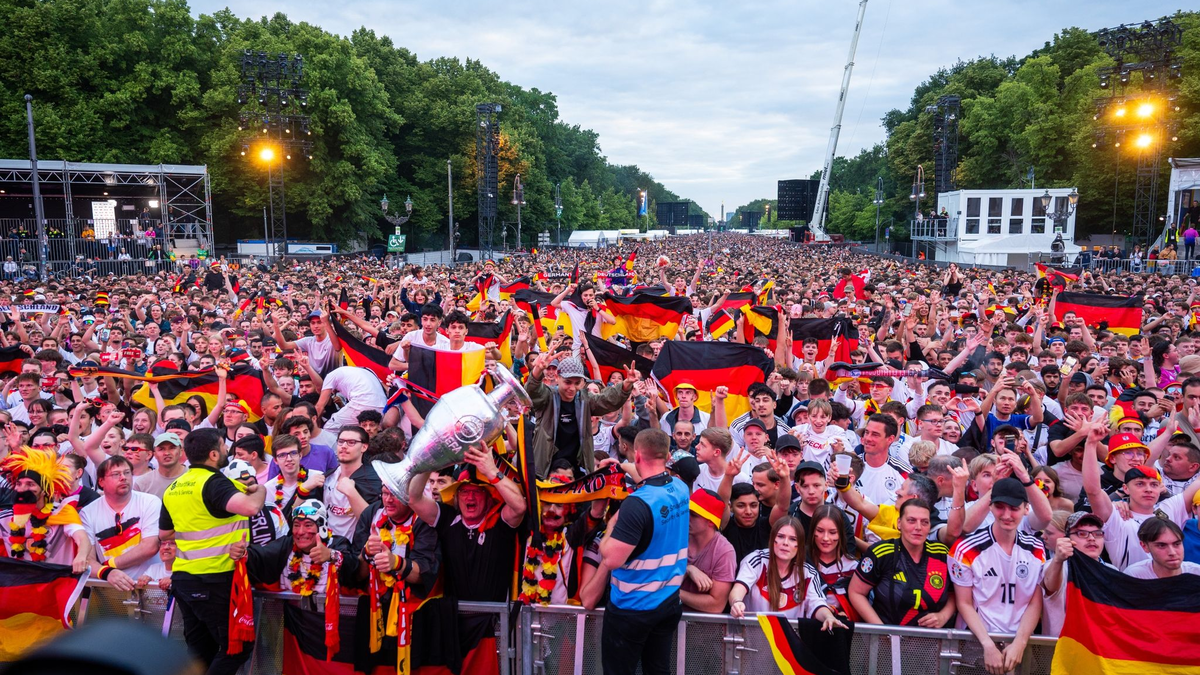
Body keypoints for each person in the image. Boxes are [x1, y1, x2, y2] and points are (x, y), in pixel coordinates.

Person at [581, 429, 689, 675]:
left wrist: (610, 528)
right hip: (668, 601)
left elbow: (611, 558)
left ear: (637, 455)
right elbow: (649, 473)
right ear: (668, 455)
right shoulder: (680, 487)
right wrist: (621, 465)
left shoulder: (637, 503)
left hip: (633, 608)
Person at [159, 428, 266, 675]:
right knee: (236, 648)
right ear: (214, 454)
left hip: (184, 580)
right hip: (215, 578)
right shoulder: (215, 481)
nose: (227, 449)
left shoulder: (173, 487)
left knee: (201, 652)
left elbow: (165, 534)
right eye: (224, 446)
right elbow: (250, 507)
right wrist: (260, 490)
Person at [950, 477, 1044, 675]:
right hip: (975, 646)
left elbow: (1035, 602)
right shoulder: (965, 548)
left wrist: (1020, 641)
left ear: (1026, 509)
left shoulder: (1036, 548)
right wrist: (988, 645)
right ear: (990, 508)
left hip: (1019, 646)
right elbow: (964, 603)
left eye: (1014, 508)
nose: (1007, 514)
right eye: (1000, 507)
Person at [848, 498, 955, 627]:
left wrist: (943, 616)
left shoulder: (942, 553)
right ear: (899, 523)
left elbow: (955, 594)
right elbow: (856, 592)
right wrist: (880, 629)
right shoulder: (881, 552)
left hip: (932, 643)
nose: (918, 527)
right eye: (911, 520)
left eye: (925, 522)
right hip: (886, 641)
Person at [526, 352, 635, 477]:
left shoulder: (585, 400)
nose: (572, 388)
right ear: (557, 377)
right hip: (545, 469)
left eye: (577, 383)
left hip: (577, 470)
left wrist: (626, 385)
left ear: (583, 382)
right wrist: (537, 371)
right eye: (568, 382)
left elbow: (606, 400)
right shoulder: (548, 396)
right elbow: (532, 393)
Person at [728, 516, 846, 629]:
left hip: (789, 644)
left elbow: (817, 604)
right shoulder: (756, 561)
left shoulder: (808, 573)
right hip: (753, 637)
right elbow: (738, 589)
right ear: (772, 539)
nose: (785, 543)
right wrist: (736, 602)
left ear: (799, 545)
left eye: (792, 539)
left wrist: (828, 617)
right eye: (780, 536)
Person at [0, 448, 91, 571]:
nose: (22, 489)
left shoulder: (62, 512)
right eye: (19, 484)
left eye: (30, 484)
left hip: (54, 585)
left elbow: (82, 538)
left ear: (44, 491)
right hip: (19, 584)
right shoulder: (6, 517)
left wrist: (81, 556)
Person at [81, 456, 162, 590]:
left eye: (127, 473)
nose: (123, 477)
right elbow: (87, 559)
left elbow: (150, 546)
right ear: (101, 482)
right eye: (116, 474)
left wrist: (109, 565)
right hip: (109, 587)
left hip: (149, 587)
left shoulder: (150, 502)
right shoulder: (88, 512)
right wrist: (108, 573)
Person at [1040, 511, 1109, 637]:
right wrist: (1058, 560)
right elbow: (1051, 587)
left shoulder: (1113, 571)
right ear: (1067, 539)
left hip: (1099, 652)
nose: (1091, 538)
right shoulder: (1055, 566)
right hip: (1060, 651)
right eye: (1082, 534)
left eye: (1097, 534)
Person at [679, 488, 736, 613]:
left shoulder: (724, 551)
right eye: (686, 512)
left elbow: (716, 605)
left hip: (705, 629)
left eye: (693, 515)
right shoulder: (676, 537)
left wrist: (675, 594)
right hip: (669, 623)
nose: (687, 518)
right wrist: (688, 569)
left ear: (710, 522)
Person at [323, 425, 381, 540]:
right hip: (326, 546)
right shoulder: (327, 477)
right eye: (341, 442)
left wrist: (351, 493)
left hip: (354, 550)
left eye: (351, 442)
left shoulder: (373, 479)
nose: (344, 446)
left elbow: (373, 522)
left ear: (364, 447)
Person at [1124, 518, 1200, 579]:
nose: (1172, 552)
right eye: (1161, 545)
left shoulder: (1196, 573)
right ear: (1145, 546)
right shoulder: (1133, 576)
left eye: (1177, 544)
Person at [134, 432, 188, 499]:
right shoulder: (142, 483)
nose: (167, 453)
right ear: (155, 454)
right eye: (161, 449)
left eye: (172, 448)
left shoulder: (194, 477)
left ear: (181, 451)